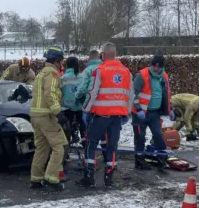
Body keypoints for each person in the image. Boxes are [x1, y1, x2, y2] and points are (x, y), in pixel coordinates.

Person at [77, 42, 133, 188]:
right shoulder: (126, 72)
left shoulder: (100, 70)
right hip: (117, 117)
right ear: (115, 54)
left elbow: (93, 92)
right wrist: (126, 112)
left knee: (91, 144)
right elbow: (130, 94)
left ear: (103, 54)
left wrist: (86, 109)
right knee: (112, 146)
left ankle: (89, 176)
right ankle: (109, 176)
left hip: (100, 116)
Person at [29, 47, 67, 190]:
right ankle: (51, 178)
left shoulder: (41, 73)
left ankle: (36, 178)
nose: (62, 64)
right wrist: (58, 112)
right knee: (59, 146)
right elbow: (49, 94)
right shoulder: (52, 73)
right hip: (46, 116)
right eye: (61, 61)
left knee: (41, 148)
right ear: (56, 61)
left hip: (35, 116)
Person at [131, 55, 175, 170]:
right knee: (140, 137)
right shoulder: (141, 76)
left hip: (155, 113)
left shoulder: (164, 76)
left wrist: (170, 108)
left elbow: (166, 94)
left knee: (158, 135)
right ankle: (139, 160)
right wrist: (138, 109)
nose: (156, 68)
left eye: (158, 67)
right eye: (154, 66)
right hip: (140, 113)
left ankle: (161, 158)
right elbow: (133, 94)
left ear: (162, 67)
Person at [61, 56, 83, 143]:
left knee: (67, 128)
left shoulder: (63, 78)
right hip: (80, 106)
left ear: (66, 65)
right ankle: (85, 141)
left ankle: (67, 142)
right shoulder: (82, 77)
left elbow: (60, 92)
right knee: (82, 126)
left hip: (67, 107)